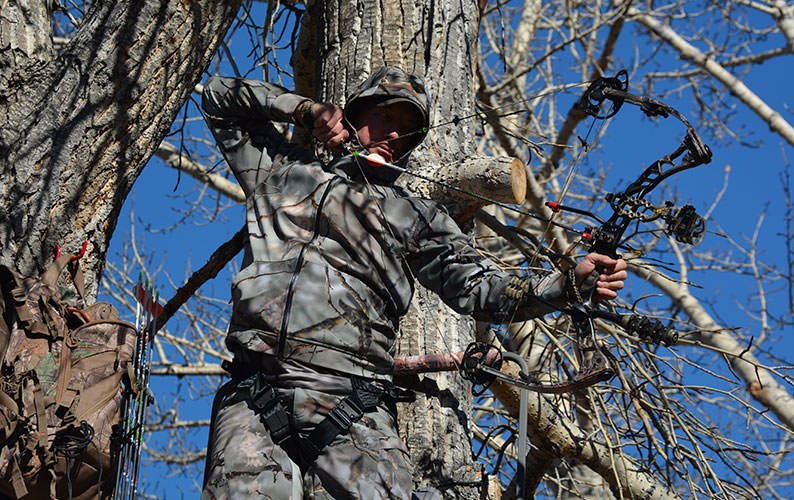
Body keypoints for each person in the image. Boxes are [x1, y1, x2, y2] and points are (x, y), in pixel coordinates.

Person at [200, 67, 627, 500]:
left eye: (408, 131)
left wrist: (565, 286)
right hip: (253, 398)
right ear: (352, 115)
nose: (394, 136)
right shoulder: (281, 172)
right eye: (386, 118)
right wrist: (303, 108)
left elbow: (482, 290)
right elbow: (218, 95)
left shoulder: (415, 214)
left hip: (350, 403)